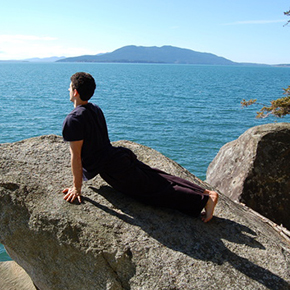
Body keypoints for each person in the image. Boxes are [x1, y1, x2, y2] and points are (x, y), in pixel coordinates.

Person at [62, 72, 218, 223]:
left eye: (69, 87)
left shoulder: (73, 120)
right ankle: (204, 192)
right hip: (119, 155)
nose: (68, 90)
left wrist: (77, 188)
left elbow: (76, 156)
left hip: (114, 169)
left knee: (155, 192)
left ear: (75, 92)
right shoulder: (95, 109)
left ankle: (203, 200)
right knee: (159, 177)